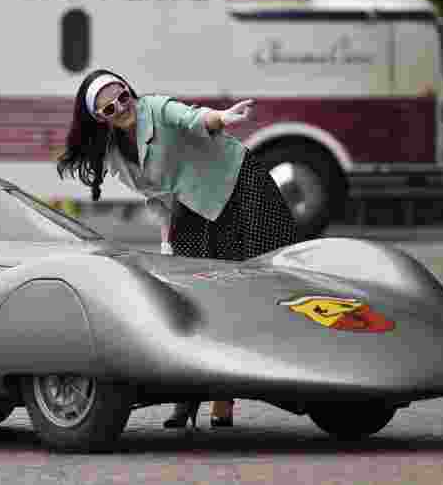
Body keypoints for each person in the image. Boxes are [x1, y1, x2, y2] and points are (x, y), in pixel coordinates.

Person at [56, 68, 298, 429]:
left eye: (123, 95)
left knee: (259, 283)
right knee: (195, 294)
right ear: (98, 118)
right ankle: (190, 396)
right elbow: (158, 198)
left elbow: (191, 117)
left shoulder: (154, 108)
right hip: (193, 208)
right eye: (110, 108)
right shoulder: (113, 154)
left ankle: (227, 395)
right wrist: (169, 241)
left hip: (238, 185)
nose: (123, 107)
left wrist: (220, 118)